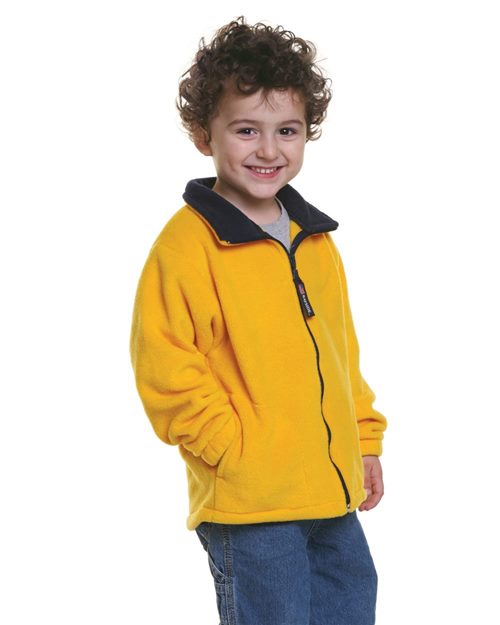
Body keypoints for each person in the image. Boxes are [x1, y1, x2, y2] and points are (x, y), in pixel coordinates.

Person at [130, 16, 388, 625]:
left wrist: (364, 440)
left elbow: (341, 355)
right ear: (204, 134)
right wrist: (232, 450)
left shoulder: (314, 239)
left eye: (286, 131)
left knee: (352, 607)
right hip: (252, 507)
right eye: (246, 130)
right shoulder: (187, 247)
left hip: (331, 494)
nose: (269, 151)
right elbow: (165, 367)